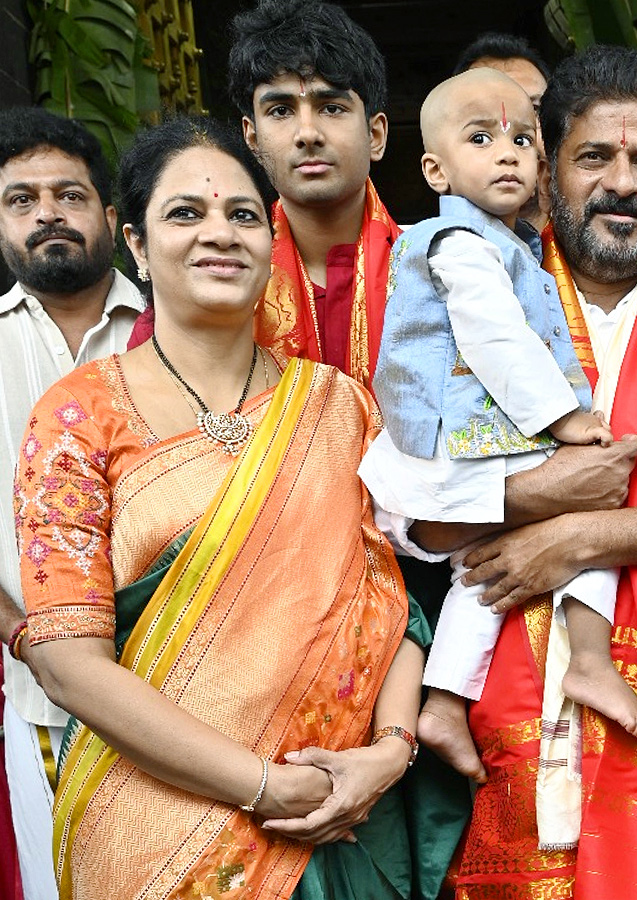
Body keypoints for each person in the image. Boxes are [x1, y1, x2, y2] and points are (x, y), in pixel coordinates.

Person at [387, 45, 637, 898]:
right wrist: (536, 494)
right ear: (546, 174)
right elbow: (400, 498)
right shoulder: (475, 289)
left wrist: (574, 538)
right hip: (512, 688)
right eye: (594, 158)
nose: (623, 183)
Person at [13, 117, 422, 899]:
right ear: (134, 243)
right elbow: (67, 663)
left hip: (341, 812)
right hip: (153, 827)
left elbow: (401, 605)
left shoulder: (339, 406)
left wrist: (390, 751)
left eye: (242, 215)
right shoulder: (77, 415)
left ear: (268, 239)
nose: (220, 235)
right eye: (185, 214)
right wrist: (261, 785)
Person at [365, 69, 637, 796]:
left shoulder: (509, 241)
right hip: (444, 446)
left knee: (480, 569)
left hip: (463, 447)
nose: (508, 154)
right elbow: (497, 342)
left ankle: (444, 702)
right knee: (589, 503)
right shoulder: (458, 240)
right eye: (482, 137)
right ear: (434, 169)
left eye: (523, 138)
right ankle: (590, 657)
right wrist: (566, 421)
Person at [0, 107, 144, 900]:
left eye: (69, 195)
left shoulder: (176, 324)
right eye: (22, 200)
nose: (47, 212)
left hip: (202, 675)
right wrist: (26, 641)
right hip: (45, 695)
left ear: (114, 218)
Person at [229, 0, 399, 390]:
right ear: (251, 137)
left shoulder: (439, 272)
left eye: (332, 107)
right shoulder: (218, 278)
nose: (308, 132)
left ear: (375, 135)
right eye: (281, 111)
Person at [454, 32, 554, 233]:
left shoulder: (592, 248)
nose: (511, 147)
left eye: (534, 109)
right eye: (486, 114)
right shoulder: (432, 253)